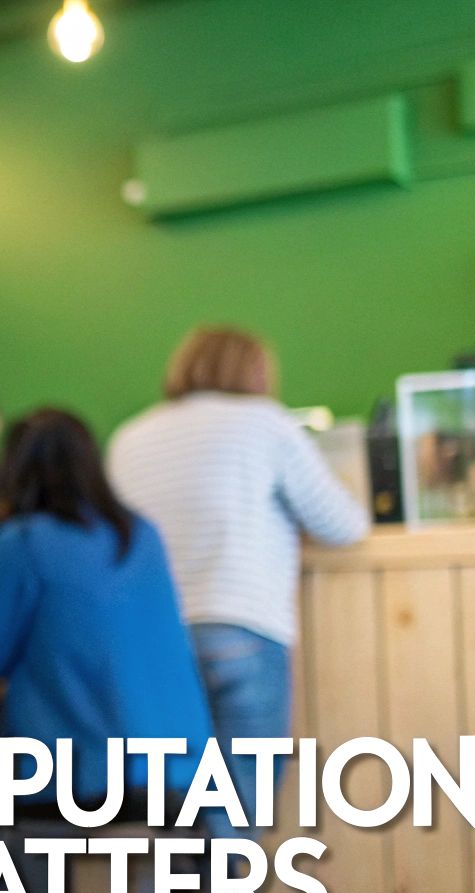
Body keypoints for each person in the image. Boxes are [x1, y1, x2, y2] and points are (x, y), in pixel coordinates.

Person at [0, 408, 280, 893]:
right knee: (190, 865)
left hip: (78, 784)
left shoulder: (25, 542)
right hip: (181, 780)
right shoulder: (141, 535)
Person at [107, 326, 368, 837]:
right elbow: (344, 525)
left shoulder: (129, 437)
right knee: (237, 810)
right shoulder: (264, 425)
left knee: (175, 805)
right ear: (254, 372)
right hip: (240, 630)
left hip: (152, 643)